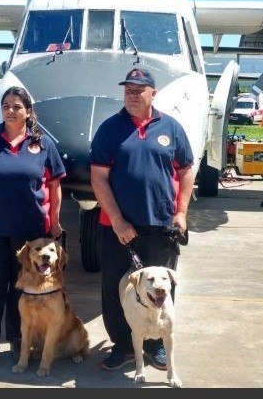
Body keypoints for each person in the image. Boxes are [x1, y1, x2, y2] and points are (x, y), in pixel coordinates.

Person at [89, 67, 194, 372]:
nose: (132, 95)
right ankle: (123, 346)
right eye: (128, 90)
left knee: (161, 286)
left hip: (162, 226)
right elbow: (99, 178)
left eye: (138, 90)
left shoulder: (171, 128)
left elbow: (186, 171)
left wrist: (182, 212)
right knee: (115, 287)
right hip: (118, 227)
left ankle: (157, 345)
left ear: (153, 93)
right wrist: (117, 219)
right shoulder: (110, 128)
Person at [0, 86, 66, 374]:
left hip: (30, 236)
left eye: (17, 106)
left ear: (28, 111)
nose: (10, 110)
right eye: (6, 105)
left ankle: (19, 341)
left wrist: (55, 221)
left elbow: (55, 186)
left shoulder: (43, 144)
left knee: (22, 291)